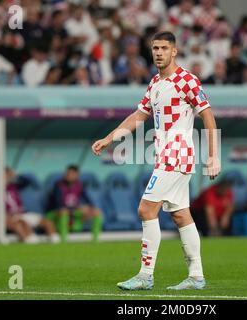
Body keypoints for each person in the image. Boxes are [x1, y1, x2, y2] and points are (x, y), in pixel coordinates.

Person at [92, 31, 220, 291]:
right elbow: (137, 117)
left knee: (145, 209)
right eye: (155, 48)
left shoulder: (187, 80)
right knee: (181, 215)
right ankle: (196, 276)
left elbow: (208, 117)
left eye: (163, 48)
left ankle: (145, 275)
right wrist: (109, 138)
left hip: (177, 154)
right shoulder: (154, 84)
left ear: (174, 51)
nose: (158, 52)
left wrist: (213, 156)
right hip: (167, 155)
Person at [1, 168, 61, 244]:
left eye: (7, 175)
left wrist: (17, 175)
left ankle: (55, 242)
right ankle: (31, 241)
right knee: (23, 223)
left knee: (48, 222)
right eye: (5, 175)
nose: (6, 177)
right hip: (12, 216)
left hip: (23, 213)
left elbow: (29, 182)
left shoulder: (13, 187)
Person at [46, 165, 103, 242]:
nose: (69, 175)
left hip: (72, 211)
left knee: (96, 212)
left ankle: (95, 240)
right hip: (55, 212)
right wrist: (76, 209)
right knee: (64, 212)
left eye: (72, 174)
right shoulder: (58, 185)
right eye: (68, 173)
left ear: (77, 175)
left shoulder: (79, 185)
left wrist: (89, 208)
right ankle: (64, 240)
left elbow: (88, 200)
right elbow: (58, 204)